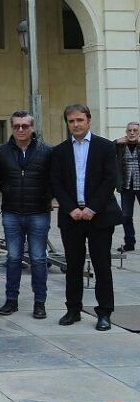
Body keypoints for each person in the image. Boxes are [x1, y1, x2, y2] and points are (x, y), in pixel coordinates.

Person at [50, 104, 122, 331]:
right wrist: (71, 208)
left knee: (102, 266)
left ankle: (104, 313)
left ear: (89, 120)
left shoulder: (105, 147)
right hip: (71, 216)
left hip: (99, 215)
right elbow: (56, 182)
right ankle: (73, 309)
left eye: (80, 120)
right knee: (73, 265)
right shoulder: (59, 151)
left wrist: (92, 208)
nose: (76, 125)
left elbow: (110, 179)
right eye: (71, 121)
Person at [0, 110, 53, 319]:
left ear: (32, 128)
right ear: (11, 127)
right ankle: (11, 300)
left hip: (38, 212)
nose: (20, 130)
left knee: (38, 258)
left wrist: (46, 196)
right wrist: (8, 190)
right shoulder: (1, 151)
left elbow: (53, 178)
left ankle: (39, 302)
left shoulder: (46, 151)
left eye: (25, 126)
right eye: (16, 126)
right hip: (12, 213)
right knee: (13, 258)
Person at [115, 121, 140, 252]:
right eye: (129, 130)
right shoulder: (120, 146)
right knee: (126, 216)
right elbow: (105, 148)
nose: (132, 133)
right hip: (126, 187)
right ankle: (129, 243)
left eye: (135, 130)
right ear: (126, 133)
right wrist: (115, 142)